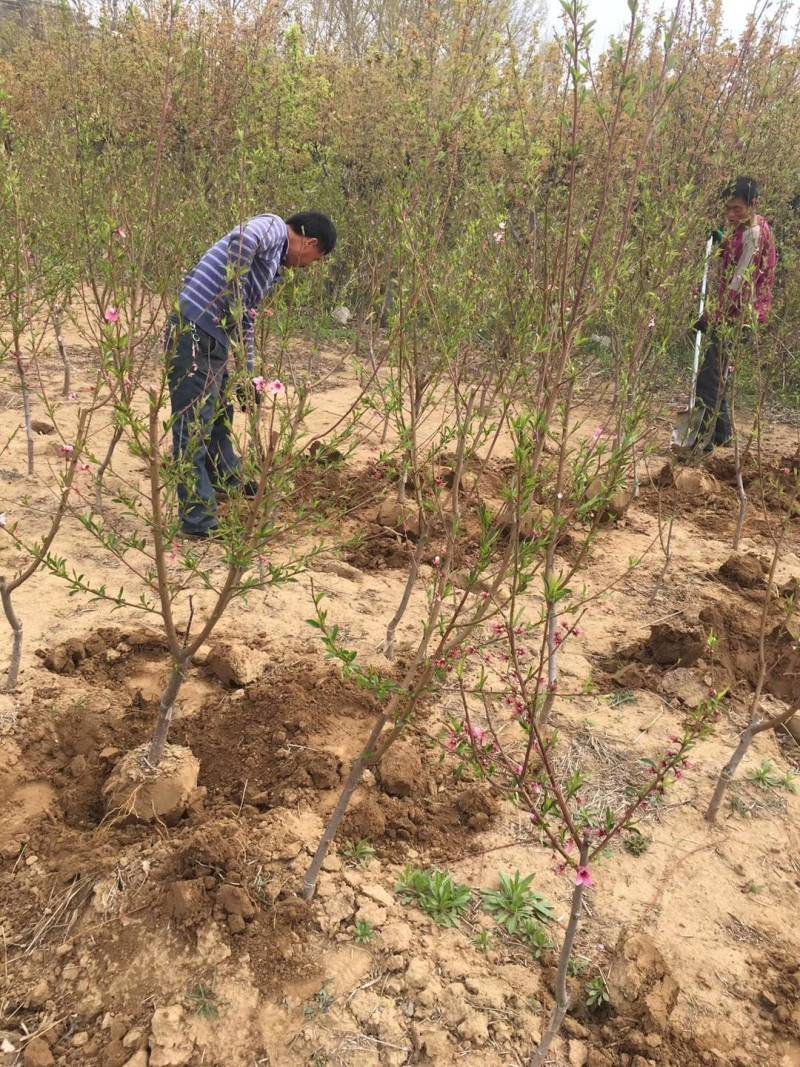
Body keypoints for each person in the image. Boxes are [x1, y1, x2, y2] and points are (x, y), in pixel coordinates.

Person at [166, 211, 336, 540]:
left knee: (218, 413)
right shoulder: (273, 228)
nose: (307, 266)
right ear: (312, 243)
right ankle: (197, 522)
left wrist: (249, 374)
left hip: (209, 335)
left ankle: (226, 478)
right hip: (195, 331)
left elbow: (245, 318)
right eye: (315, 259)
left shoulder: (271, 267)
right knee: (193, 425)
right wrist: (235, 294)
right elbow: (241, 241)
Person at [695, 176, 777, 451]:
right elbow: (730, 257)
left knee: (709, 377)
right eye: (727, 209)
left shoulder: (754, 233)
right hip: (732, 312)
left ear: (753, 204)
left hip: (740, 315)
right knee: (719, 374)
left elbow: (740, 283)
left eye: (737, 209)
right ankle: (722, 433)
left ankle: (701, 443)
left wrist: (713, 316)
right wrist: (720, 243)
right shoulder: (742, 228)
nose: (731, 215)